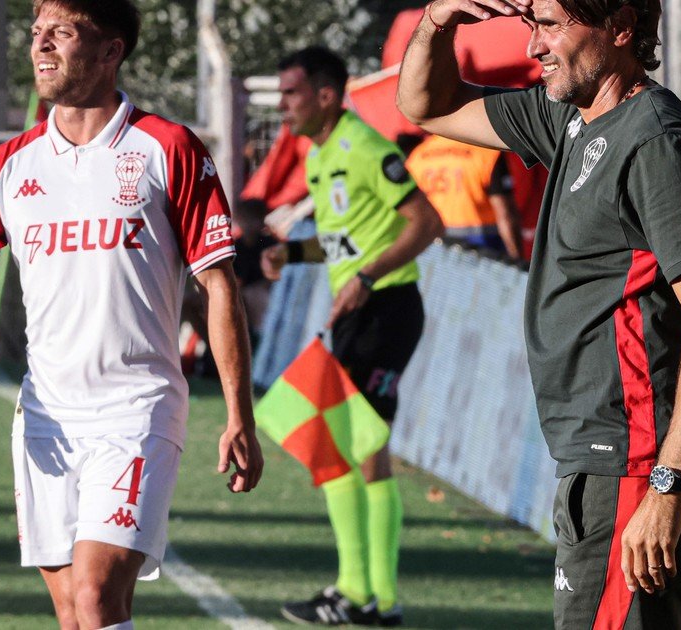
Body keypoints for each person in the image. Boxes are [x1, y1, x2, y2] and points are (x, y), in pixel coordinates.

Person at [0, 1, 264, 628]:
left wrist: (240, 411)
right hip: (46, 417)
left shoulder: (168, 148)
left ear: (110, 52)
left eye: (62, 33)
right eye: (36, 34)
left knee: (95, 596)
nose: (41, 46)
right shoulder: (9, 165)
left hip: (138, 406)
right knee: (78, 616)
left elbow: (219, 285)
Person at [397, 1, 681, 628]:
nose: (534, 45)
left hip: (639, 463)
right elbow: (426, 104)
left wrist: (666, 486)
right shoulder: (569, 118)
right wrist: (438, 19)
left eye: (552, 25)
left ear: (620, 26)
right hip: (624, 460)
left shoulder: (657, 142)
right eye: (531, 24)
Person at [260, 46, 443, 627]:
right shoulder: (317, 156)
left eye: (292, 93)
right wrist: (292, 252)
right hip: (359, 314)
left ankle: (368, 595)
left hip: (386, 311)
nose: (284, 105)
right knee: (348, 445)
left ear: (325, 94)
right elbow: (349, 239)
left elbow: (427, 222)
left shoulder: (364, 147)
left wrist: (368, 276)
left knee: (354, 445)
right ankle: (364, 594)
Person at [406, 133, 523, 259]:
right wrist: (517, 260)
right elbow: (505, 214)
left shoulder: (418, 155)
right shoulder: (486, 152)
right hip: (484, 246)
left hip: (436, 246)